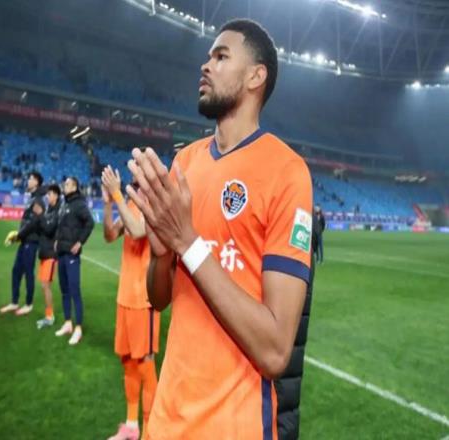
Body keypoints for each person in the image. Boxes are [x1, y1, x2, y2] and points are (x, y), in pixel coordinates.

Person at [126, 19, 313, 439]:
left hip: (234, 426)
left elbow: (275, 351)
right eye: (209, 56)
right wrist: (161, 254)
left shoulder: (286, 172)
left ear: (255, 77)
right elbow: (159, 299)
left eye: (221, 56)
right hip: (166, 420)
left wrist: (187, 242)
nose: (205, 65)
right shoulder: (185, 163)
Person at [101, 166, 160, 440]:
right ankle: (131, 426)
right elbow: (109, 235)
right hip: (124, 296)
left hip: (144, 299)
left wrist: (116, 194)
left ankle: (150, 432)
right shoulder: (131, 206)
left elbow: (137, 231)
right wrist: (107, 204)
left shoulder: (155, 207)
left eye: (138, 181)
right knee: (127, 361)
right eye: (133, 182)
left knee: (146, 364)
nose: (134, 185)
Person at [54, 177, 94, 345]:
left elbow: (90, 223)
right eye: (65, 184)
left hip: (71, 254)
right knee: (64, 291)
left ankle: (78, 328)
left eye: (67, 184)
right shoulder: (65, 204)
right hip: (61, 253)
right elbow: (61, 226)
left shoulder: (79, 204)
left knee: (74, 290)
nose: (65, 186)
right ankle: (68, 323)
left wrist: (80, 242)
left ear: (74, 187)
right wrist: (57, 240)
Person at [0, 171, 45, 316]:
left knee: (28, 272)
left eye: (31, 179)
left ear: (36, 182)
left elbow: (34, 222)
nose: (28, 181)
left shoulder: (38, 200)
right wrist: (20, 236)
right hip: (25, 240)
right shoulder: (32, 199)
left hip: (31, 242)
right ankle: (14, 302)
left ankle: (28, 304)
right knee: (16, 271)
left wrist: (19, 235)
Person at [36, 184, 61, 329]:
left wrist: (40, 215)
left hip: (51, 254)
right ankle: (48, 315)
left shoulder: (57, 212)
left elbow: (49, 229)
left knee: (46, 285)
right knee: (44, 285)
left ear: (56, 195)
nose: (47, 196)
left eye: (50, 194)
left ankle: (50, 316)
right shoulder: (49, 210)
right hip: (44, 252)